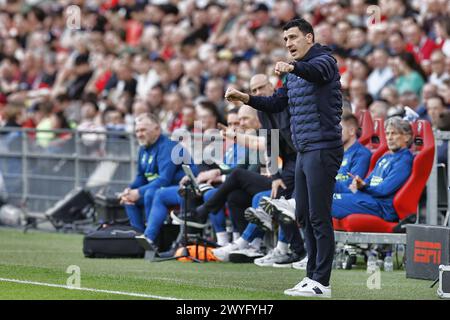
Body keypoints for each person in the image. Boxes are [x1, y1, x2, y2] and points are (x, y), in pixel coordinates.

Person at [225, 18, 343, 298]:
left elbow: (316, 72)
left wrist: (293, 67)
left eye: (293, 37)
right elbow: (277, 103)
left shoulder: (325, 60)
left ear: (309, 38)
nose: (288, 43)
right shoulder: (293, 75)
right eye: (285, 39)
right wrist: (246, 99)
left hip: (323, 148)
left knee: (319, 216)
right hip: (304, 151)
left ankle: (322, 282)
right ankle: (311, 276)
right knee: (302, 214)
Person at [119, 113, 193, 246]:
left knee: (149, 194)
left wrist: (139, 192)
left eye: (143, 130)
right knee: (128, 200)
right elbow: (141, 176)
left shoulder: (168, 147)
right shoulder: (143, 148)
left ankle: (154, 242)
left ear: (157, 129)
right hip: (160, 189)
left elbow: (165, 179)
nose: (139, 134)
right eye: (137, 131)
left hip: (181, 190)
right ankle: (140, 241)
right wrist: (130, 190)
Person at [331, 117, 414, 222]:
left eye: (394, 133)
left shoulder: (404, 161)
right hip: (368, 199)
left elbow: (384, 190)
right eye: (387, 134)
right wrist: (358, 184)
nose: (389, 137)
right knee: (320, 196)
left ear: (406, 137)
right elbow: (369, 180)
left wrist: (364, 187)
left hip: (380, 206)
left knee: (324, 202)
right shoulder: (385, 157)